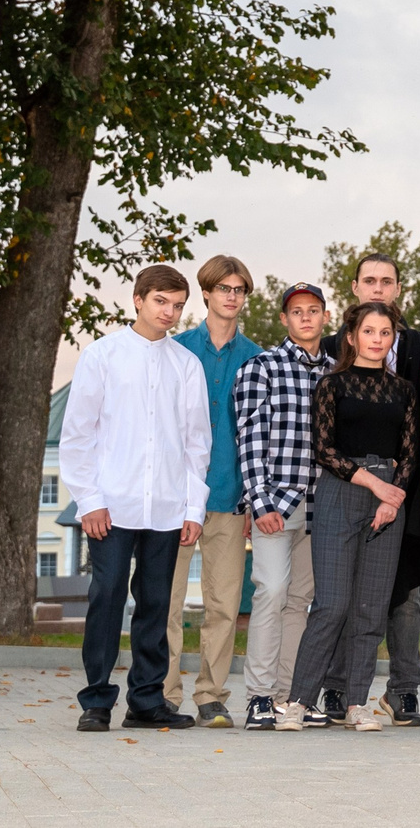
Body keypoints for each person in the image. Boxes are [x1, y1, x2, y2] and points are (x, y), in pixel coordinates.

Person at [61, 264, 210, 733]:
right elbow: (78, 434)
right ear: (139, 300)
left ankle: (147, 701)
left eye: (178, 305)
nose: (169, 312)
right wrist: (88, 499)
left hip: (166, 507)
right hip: (113, 504)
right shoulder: (102, 357)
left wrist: (192, 507)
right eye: (161, 301)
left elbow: (196, 443)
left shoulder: (186, 365)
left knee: (156, 603)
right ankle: (97, 701)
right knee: (105, 596)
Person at [280, 302, 418, 731]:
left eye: (385, 332)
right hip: (341, 494)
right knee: (332, 605)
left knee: (370, 608)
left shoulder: (404, 391)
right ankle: (297, 702)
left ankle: (357, 702)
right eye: (369, 331)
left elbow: (409, 453)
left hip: (387, 502)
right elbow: (324, 451)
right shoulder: (331, 385)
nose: (377, 339)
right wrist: (376, 486)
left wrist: (391, 500)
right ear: (352, 337)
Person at [327, 250, 420, 727]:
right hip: (345, 485)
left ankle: (404, 690)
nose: (377, 289)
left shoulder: (419, 347)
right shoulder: (333, 345)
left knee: (404, 594)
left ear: (397, 289)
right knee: (343, 593)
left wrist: (408, 488)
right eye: (368, 281)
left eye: (386, 281)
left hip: (402, 485)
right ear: (355, 288)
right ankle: (338, 688)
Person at [163, 255, 260, 728]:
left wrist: (252, 497)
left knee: (223, 604)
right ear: (206, 293)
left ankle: (211, 695)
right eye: (224, 288)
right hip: (176, 498)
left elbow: (260, 436)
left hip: (229, 497)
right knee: (169, 601)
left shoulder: (257, 359)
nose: (232, 296)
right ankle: (162, 692)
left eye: (239, 289)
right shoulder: (175, 351)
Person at [233, 281, 334, 729]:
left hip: (324, 506)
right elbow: (250, 439)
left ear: (325, 317)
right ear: (284, 319)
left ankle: (288, 697)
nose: (306, 318)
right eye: (297, 312)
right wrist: (259, 501)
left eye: (313, 310)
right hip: (278, 502)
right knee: (271, 592)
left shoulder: (338, 371)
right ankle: (257, 696)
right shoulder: (263, 368)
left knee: (300, 601)